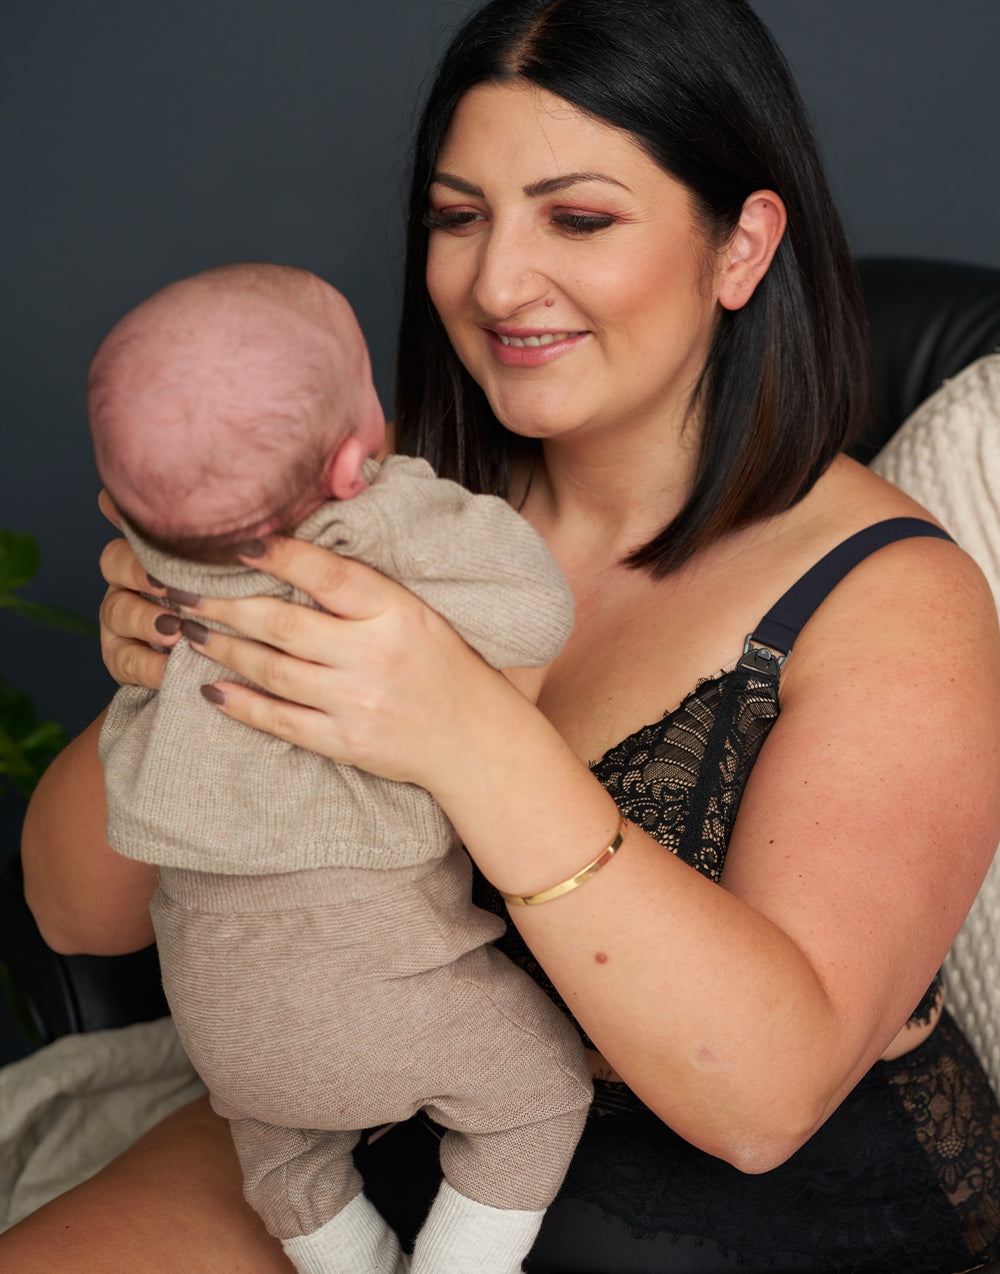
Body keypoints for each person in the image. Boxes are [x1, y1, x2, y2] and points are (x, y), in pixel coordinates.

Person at [7, 0, 1000, 1270]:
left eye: (577, 218)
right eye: (459, 215)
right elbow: (75, 912)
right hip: (363, 1127)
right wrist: (165, 662)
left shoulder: (892, 596)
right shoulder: (369, 507)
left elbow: (761, 1101)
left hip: (726, 1214)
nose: (493, 282)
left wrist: (462, 731)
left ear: (740, 245)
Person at [87, 261, 591, 1274]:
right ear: (357, 455)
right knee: (539, 1091)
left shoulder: (156, 572)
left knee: (278, 1143)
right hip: (374, 984)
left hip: (215, 1015)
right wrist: (426, 511)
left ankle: (343, 1255)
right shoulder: (375, 529)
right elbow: (533, 612)